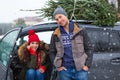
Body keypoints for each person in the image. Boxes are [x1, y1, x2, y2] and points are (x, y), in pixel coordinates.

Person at [49, 6, 93, 80]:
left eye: (60, 17)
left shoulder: (80, 30)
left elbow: (89, 48)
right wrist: (58, 66)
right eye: (57, 19)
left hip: (80, 69)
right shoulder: (55, 34)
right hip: (65, 71)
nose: (59, 20)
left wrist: (87, 65)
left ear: (66, 16)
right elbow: (52, 51)